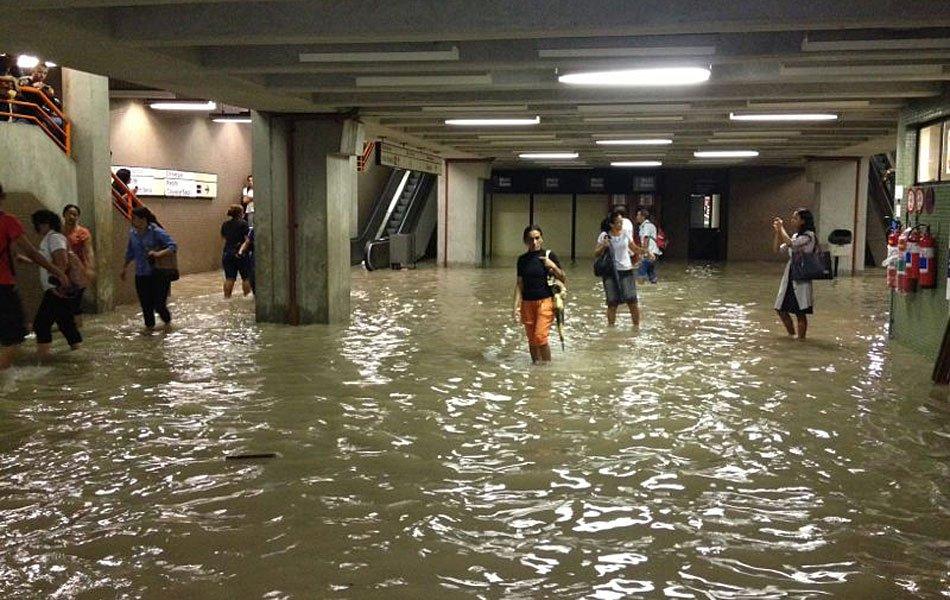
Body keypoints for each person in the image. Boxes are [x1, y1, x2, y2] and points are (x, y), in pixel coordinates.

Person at [0, 184, 68, 369]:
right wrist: (58, 272)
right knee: (14, 337)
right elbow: (32, 252)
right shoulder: (7, 221)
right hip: (3, 287)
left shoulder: (54, 238)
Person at [21, 210, 82, 358]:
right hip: (58, 288)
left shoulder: (54, 238)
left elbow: (62, 261)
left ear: (44, 224)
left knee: (40, 325)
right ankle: (79, 355)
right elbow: (49, 262)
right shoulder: (52, 238)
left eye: (36, 224)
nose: (35, 227)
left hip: (56, 289)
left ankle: (43, 359)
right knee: (66, 324)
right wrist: (27, 260)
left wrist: (58, 286)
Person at [119, 206, 177, 332]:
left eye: (134, 218)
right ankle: (149, 332)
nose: (132, 221)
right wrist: (124, 268)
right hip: (141, 274)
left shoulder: (156, 231)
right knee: (146, 305)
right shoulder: (132, 234)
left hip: (158, 273)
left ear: (143, 219)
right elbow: (130, 252)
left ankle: (168, 325)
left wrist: (158, 254)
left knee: (159, 305)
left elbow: (173, 246)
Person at [513, 225, 565, 365]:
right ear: (525, 241)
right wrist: (515, 307)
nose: (534, 242)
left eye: (537, 238)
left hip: (545, 301)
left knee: (540, 337)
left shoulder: (549, 256)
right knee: (532, 340)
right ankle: (536, 367)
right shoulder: (522, 260)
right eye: (530, 239)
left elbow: (563, 278)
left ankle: (547, 368)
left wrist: (552, 266)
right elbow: (519, 284)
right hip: (527, 303)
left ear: (541, 239)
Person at [595, 209, 648, 327]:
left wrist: (646, 252)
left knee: (632, 301)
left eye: (621, 222)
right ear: (611, 224)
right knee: (612, 302)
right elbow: (596, 253)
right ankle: (611, 328)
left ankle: (636, 327)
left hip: (626, 270)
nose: (621, 224)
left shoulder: (625, 234)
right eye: (618, 222)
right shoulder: (604, 236)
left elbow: (634, 248)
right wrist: (604, 246)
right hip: (610, 272)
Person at [772, 208, 816, 340]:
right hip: (790, 274)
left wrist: (781, 228)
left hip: (801, 275)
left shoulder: (809, 236)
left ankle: (801, 339)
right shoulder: (796, 236)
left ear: (803, 221)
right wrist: (777, 232)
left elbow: (791, 244)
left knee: (800, 312)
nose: (792, 220)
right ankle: (791, 335)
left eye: (795, 218)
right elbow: (777, 249)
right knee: (780, 309)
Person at [62, 204, 95, 322]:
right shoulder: (58, 232)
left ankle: (77, 327)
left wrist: (90, 268)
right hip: (62, 270)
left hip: (78, 271)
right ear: (64, 215)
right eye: (69, 214)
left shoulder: (83, 232)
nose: (72, 217)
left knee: (75, 302)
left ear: (78, 217)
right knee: (63, 301)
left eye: (75, 215)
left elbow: (89, 250)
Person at [220, 204, 251, 298]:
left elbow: (224, 237)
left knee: (229, 278)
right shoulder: (244, 224)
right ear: (240, 213)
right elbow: (247, 240)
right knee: (246, 277)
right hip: (241, 254)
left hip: (227, 253)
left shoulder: (225, 224)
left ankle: (226, 298)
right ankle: (247, 297)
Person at [636, 208, 661, 284]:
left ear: (643, 217)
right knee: (651, 274)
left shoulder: (646, 226)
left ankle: (640, 289)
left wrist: (642, 254)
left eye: (638, 215)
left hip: (649, 253)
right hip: (653, 253)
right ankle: (655, 287)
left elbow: (645, 239)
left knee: (641, 272)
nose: (637, 217)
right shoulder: (650, 225)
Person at [236, 227, 255, 295]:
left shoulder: (255, 229)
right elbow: (247, 242)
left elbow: (247, 242)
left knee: (251, 278)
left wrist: (240, 252)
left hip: (255, 258)